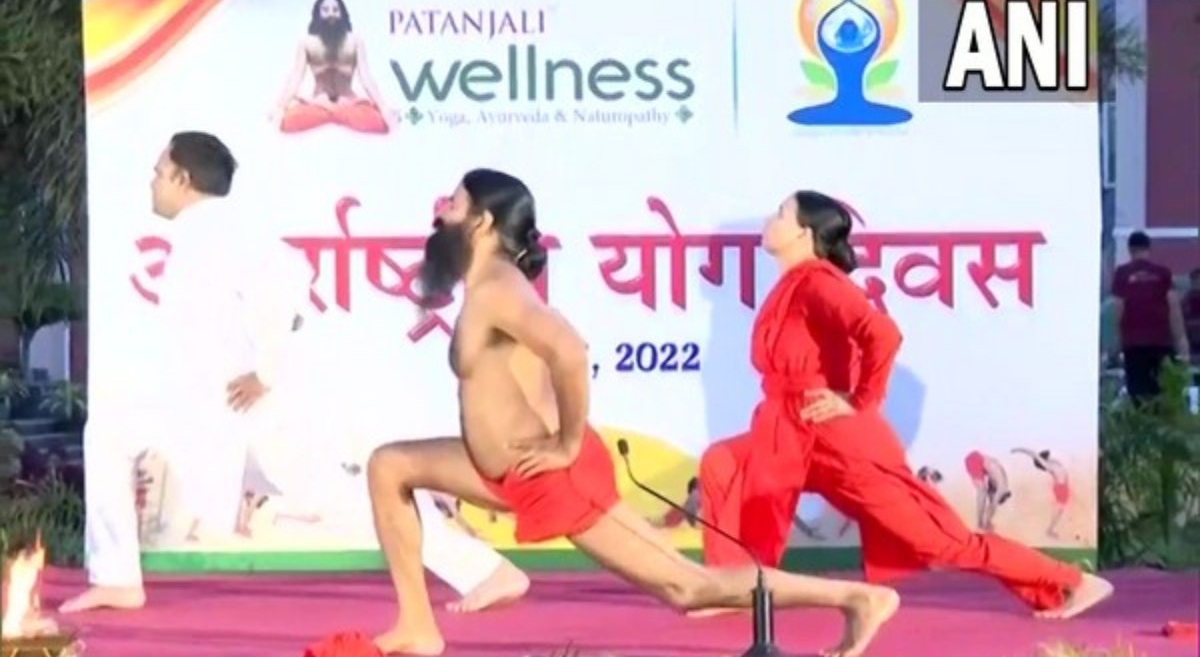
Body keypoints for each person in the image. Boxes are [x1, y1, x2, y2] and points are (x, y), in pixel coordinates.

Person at [365, 169, 900, 657]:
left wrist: (567, 443)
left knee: (687, 588)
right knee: (390, 466)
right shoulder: (485, 285)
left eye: (453, 206)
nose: (440, 215)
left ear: (481, 222)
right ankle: (418, 625)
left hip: (553, 477)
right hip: (506, 469)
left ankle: (855, 598)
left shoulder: (499, 288)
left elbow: (570, 352)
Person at [63, 134, 522, 616]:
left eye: (159, 172)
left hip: (255, 412)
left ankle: (486, 571)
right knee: (110, 432)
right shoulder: (203, 233)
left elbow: (286, 285)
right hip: (208, 409)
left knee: (345, 500)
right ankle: (116, 577)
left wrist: (266, 371)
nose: (153, 182)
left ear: (182, 178)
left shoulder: (223, 233)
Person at [696, 190, 1111, 620]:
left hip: (837, 440)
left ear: (803, 233)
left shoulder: (819, 282)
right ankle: (732, 588)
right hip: (787, 430)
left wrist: (860, 401)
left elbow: (882, 334)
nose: (770, 219)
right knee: (722, 463)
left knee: (940, 542)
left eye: (780, 213)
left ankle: (1074, 581)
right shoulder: (792, 285)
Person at [271, 0, 395, 135]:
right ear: (318, 13)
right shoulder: (306, 43)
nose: (331, 14)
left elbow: (366, 78)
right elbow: (296, 77)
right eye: (325, 10)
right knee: (286, 122)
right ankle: (332, 115)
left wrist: (384, 108)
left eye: (336, 10)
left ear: (342, 14)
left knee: (380, 124)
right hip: (318, 104)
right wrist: (280, 106)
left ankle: (336, 115)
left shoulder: (355, 41)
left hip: (349, 103)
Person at [1111, 231, 1189, 402]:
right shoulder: (1163, 273)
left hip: (1133, 344)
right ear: (1148, 248)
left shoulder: (1122, 274)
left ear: (1130, 249)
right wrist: (1182, 343)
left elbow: (1118, 308)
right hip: (1161, 342)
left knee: (1138, 394)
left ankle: (1142, 426)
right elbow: (1174, 308)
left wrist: (1114, 344)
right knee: (1161, 391)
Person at [1011, 449, 1070, 539]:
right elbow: (1033, 453)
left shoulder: (1053, 462)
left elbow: (1044, 455)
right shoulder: (1048, 465)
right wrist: (1019, 449)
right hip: (1060, 487)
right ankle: (1049, 530)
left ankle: (1050, 529)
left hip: (1064, 487)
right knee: (1059, 509)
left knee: (1060, 510)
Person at [963, 451, 1011, 533]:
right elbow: (993, 505)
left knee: (983, 492)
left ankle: (982, 524)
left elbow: (991, 503)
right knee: (982, 492)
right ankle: (980, 524)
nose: (991, 498)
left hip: (980, 459)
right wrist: (985, 522)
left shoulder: (1000, 482)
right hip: (975, 460)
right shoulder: (1001, 487)